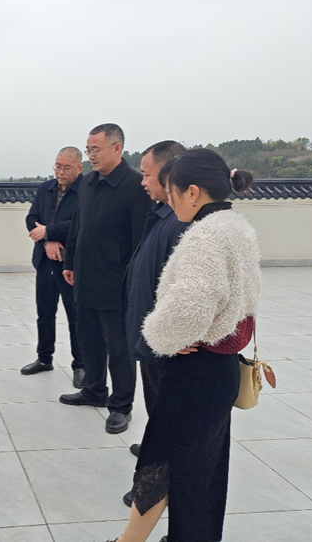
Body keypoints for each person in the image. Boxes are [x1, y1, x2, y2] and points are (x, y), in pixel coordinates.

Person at [104, 148, 260, 542]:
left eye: (171, 193)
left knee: (161, 461)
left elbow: (190, 306)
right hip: (221, 366)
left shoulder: (203, 237)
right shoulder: (235, 226)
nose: (169, 202)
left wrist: (157, 338)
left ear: (192, 192)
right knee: (203, 472)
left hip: (195, 371)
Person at [59, 124, 153, 434]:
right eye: (88, 150)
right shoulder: (88, 182)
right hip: (85, 277)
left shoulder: (134, 186)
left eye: (95, 149)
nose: (91, 155)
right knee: (89, 339)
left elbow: (141, 240)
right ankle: (94, 389)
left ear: (117, 148)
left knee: (119, 347)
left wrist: (134, 282)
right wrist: (70, 262)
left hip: (116, 283)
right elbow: (77, 227)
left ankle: (121, 405)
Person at [120, 141, 188, 509]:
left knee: (167, 422)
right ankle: (155, 463)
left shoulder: (181, 223)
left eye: (147, 174)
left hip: (164, 343)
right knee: (156, 412)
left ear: (168, 175)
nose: (142, 181)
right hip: (150, 336)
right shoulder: (162, 214)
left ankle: (154, 486)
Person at [21, 146, 85, 388]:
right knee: (45, 313)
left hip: (71, 264)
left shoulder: (86, 190)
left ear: (79, 168)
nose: (61, 172)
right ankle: (44, 358)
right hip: (44, 260)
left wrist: (49, 231)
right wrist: (48, 240)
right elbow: (31, 219)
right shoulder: (45, 188)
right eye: (58, 166)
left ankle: (81, 365)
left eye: (67, 168)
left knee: (76, 316)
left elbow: (80, 223)